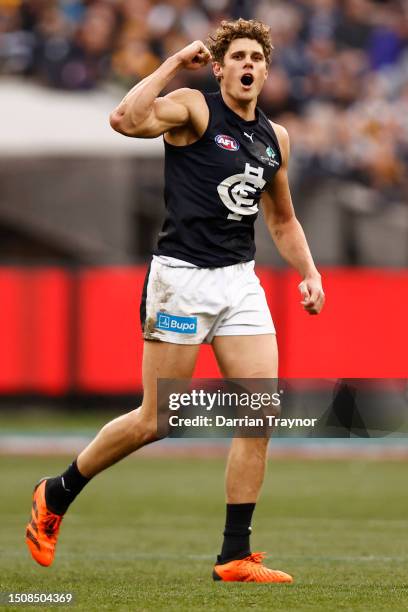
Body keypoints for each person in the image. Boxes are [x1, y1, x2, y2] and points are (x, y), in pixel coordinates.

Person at [25, 18, 325, 583]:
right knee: (157, 418)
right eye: (236, 56)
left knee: (259, 412)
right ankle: (57, 491)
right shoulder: (193, 107)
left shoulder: (274, 138)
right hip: (181, 279)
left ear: (266, 70)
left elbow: (281, 218)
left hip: (239, 282)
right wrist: (168, 64)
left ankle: (234, 555)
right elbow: (124, 119)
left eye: (256, 59)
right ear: (219, 67)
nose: (247, 66)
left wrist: (308, 271)